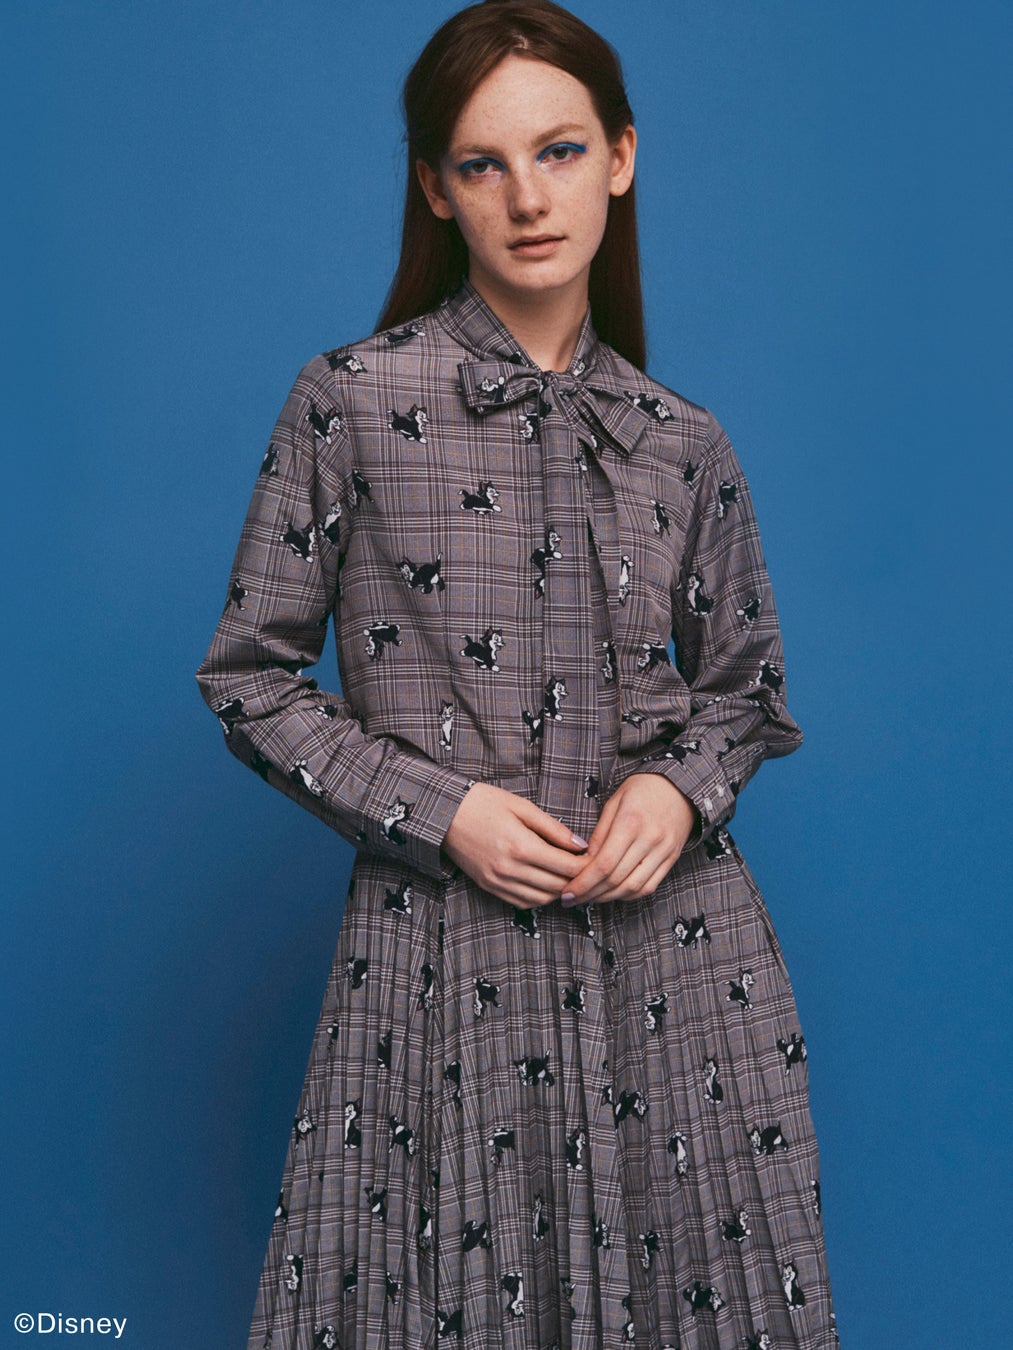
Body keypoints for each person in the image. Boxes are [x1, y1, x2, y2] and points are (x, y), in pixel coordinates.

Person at [195, 2, 839, 1346]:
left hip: (679, 964)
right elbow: (250, 679)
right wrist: (446, 814)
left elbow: (745, 690)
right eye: (483, 164)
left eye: (559, 151)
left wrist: (678, 791)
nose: (528, 199)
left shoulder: (683, 441)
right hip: (444, 955)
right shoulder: (350, 402)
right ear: (436, 186)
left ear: (621, 157)